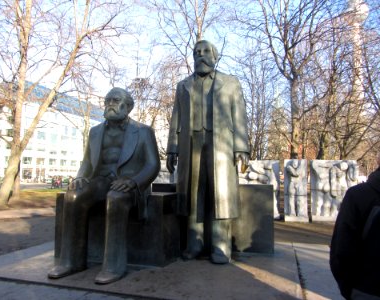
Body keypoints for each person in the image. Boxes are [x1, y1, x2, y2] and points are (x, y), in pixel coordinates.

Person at [48, 87, 160, 284]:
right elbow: (87, 162)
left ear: (129, 106)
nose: (110, 104)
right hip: (101, 181)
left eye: (115, 100)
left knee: (115, 198)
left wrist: (133, 182)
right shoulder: (95, 131)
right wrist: (80, 177)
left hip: (129, 186)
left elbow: (152, 165)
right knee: (74, 195)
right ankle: (71, 261)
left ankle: (113, 266)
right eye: (107, 101)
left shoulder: (143, 131)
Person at [166, 40, 250, 264]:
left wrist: (242, 147)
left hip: (221, 144)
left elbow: (240, 116)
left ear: (215, 56)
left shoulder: (231, 83)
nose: (200, 56)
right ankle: (195, 243)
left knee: (220, 194)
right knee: (194, 194)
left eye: (205, 52)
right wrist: (172, 148)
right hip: (190, 143)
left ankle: (220, 246)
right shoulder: (183, 85)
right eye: (196, 53)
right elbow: (176, 118)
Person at [330, 153, 380, 299]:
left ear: (377, 160)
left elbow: (341, 250)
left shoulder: (358, 195)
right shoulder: (359, 196)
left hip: (366, 290)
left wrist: (350, 289)